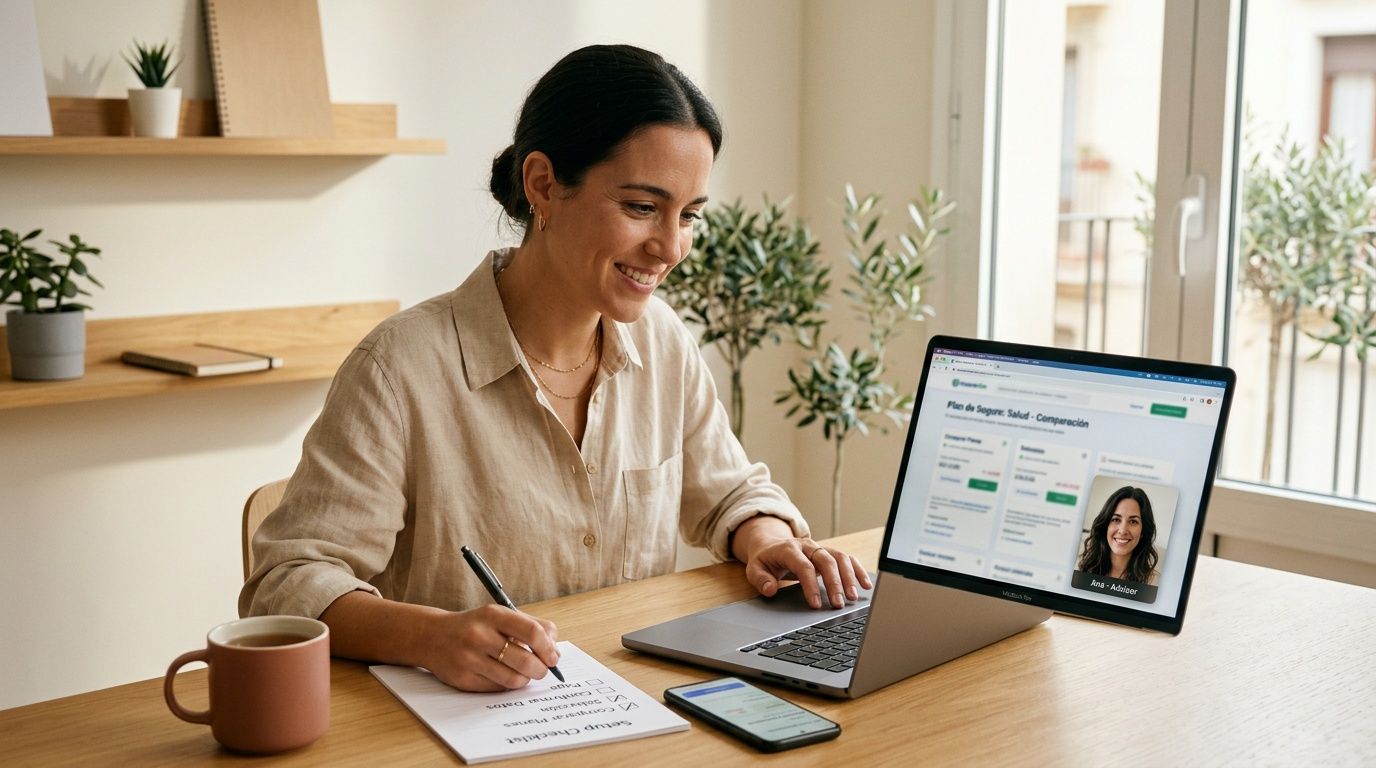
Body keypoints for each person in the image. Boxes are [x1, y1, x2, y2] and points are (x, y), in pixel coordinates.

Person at [240, 44, 871, 693]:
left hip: (629, 709)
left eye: (690, 216)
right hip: (459, 725)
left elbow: (731, 494)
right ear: (542, 184)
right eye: (641, 207)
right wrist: (430, 636)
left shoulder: (663, 342)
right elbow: (286, 585)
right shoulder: (400, 368)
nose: (671, 247)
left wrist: (768, 539)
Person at [1075, 486, 1160, 585]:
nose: (1123, 530)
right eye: (1116, 519)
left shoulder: (1154, 582)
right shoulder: (1080, 568)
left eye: (1133, 521)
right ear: (1105, 526)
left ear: (1143, 531)